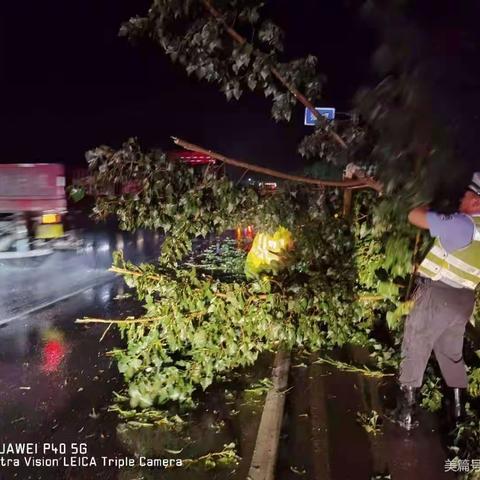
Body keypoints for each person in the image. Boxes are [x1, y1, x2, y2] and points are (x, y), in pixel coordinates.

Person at [390, 172, 480, 430]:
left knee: (416, 346)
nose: (459, 199)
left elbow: (414, 216)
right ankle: (458, 417)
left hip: (437, 296)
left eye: (465, 196)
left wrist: (423, 203)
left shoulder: (464, 224)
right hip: (463, 299)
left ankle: (405, 415)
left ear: (476, 202)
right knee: (451, 355)